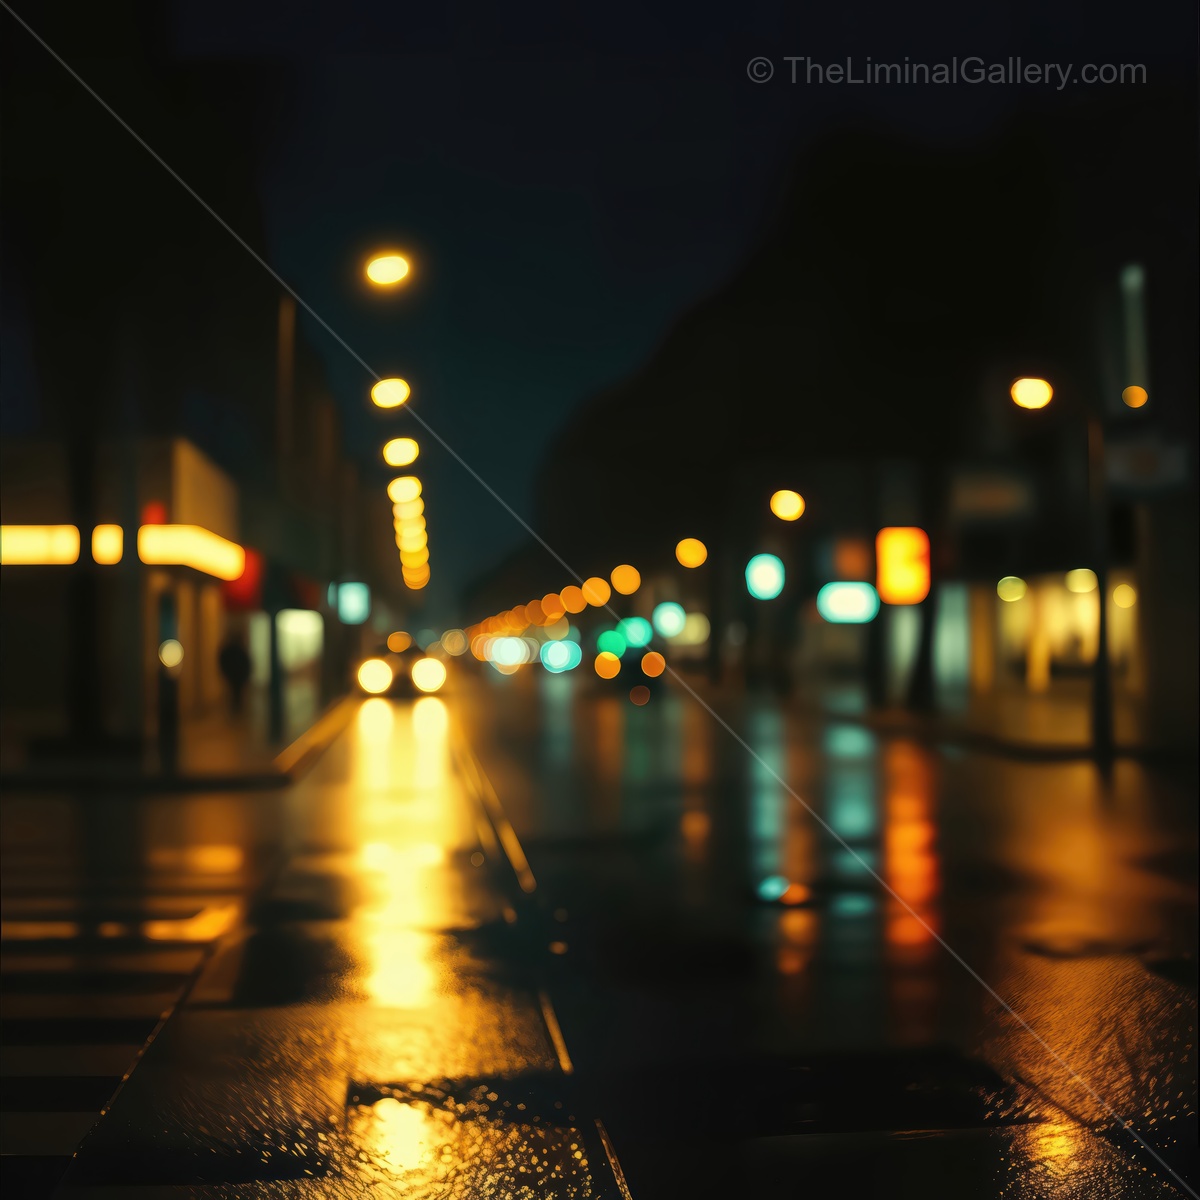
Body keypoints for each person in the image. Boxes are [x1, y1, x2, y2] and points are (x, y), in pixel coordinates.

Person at [218, 632, 252, 714]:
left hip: (233, 675)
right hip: (237, 675)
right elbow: (246, 663)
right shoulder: (239, 649)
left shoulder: (229, 649)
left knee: (235, 692)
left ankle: (235, 708)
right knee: (236, 692)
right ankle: (236, 708)